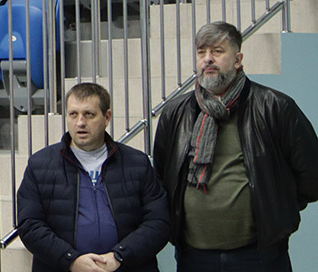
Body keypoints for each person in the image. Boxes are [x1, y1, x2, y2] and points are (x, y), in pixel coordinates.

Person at [152, 21, 318, 269]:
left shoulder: (274, 107)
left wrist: (277, 203)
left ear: (238, 59)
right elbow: (164, 176)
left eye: (217, 51)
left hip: (259, 255)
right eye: (201, 52)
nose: (208, 59)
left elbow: (312, 177)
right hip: (193, 257)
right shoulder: (175, 113)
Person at [17, 82, 171, 272]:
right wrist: (71, 260)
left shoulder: (137, 163)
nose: (80, 122)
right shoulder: (40, 165)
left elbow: (159, 221)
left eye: (89, 114)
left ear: (107, 117)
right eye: (73, 114)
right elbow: (29, 225)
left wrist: (119, 256)